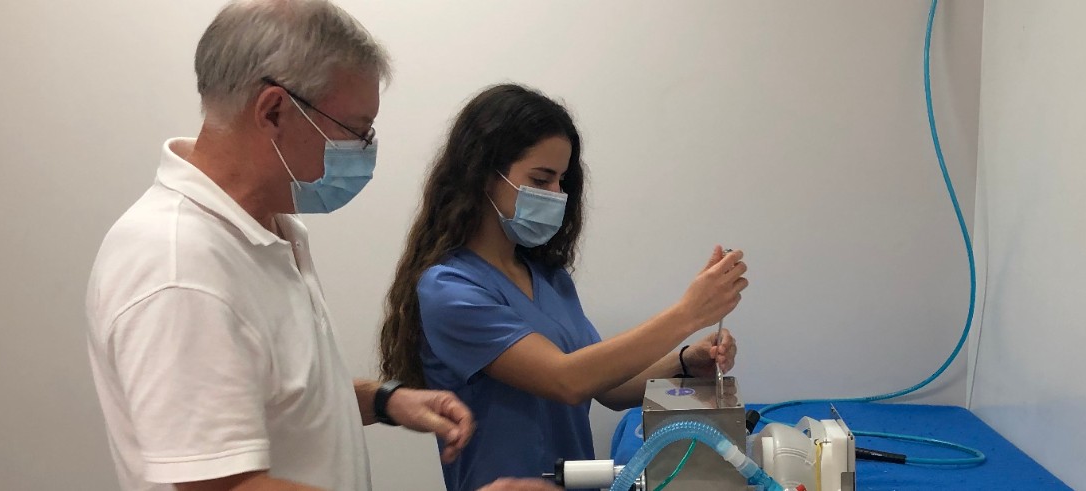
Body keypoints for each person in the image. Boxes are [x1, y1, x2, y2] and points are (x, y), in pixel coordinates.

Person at [86, 2, 555, 490]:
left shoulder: (269, 229)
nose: (366, 150)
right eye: (356, 130)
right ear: (273, 110)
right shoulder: (180, 265)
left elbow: (271, 398)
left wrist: (384, 400)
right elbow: (222, 485)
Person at [379, 84, 746, 490]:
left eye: (561, 180)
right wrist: (688, 313)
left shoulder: (548, 277)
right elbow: (566, 380)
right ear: (483, 175)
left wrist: (682, 361)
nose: (556, 194)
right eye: (541, 178)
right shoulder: (450, 289)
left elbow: (603, 383)